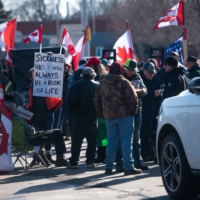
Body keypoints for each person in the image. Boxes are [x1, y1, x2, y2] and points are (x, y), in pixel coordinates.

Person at [94, 62, 142, 176]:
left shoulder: (103, 83)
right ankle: (128, 167)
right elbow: (133, 98)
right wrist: (132, 112)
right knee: (126, 141)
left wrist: (102, 114)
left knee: (111, 142)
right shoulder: (124, 82)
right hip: (124, 116)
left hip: (109, 117)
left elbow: (96, 100)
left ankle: (108, 167)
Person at [28, 68, 62, 166]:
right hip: (37, 115)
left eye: (36, 73)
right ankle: (37, 155)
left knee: (48, 134)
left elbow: (52, 73)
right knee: (37, 135)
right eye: (33, 73)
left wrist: (48, 56)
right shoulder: (31, 86)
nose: (35, 75)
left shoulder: (46, 83)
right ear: (31, 76)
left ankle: (48, 154)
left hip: (47, 114)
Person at [67, 67, 99, 169]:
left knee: (77, 141)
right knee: (92, 141)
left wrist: (74, 113)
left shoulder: (77, 85)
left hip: (79, 118)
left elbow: (70, 101)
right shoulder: (97, 86)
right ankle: (90, 161)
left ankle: (73, 162)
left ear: (83, 75)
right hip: (93, 118)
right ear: (93, 75)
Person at [122, 59, 148, 170]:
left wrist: (140, 91)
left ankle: (137, 161)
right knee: (125, 138)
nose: (131, 73)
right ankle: (125, 163)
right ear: (125, 68)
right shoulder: (120, 78)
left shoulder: (137, 76)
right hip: (124, 112)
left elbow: (145, 90)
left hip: (137, 111)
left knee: (136, 138)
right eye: (130, 70)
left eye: (133, 70)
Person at [139, 62, 162, 162]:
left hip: (155, 110)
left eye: (152, 73)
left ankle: (154, 153)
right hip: (144, 110)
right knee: (145, 132)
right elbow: (140, 94)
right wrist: (153, 94)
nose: (151, 75)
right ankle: (146, 154)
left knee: (154, 132)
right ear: (144, 71)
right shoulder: (139, 79)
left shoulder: (156, 78)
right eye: (149, 73)